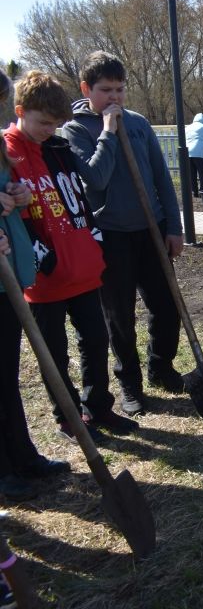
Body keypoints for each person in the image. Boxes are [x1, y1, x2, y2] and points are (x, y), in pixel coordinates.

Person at [6, 71, 139, 440]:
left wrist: (92, 243)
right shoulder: (8, 155)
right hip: (43, 278)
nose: (50, 130)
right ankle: (67, 416)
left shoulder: (59, 149)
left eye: (55, 124)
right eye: (43, 123)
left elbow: (80, 197)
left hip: (80, 268)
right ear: (21, 111)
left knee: (96, 340)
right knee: (55, 353)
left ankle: (98, 406)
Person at [63, 51, 185, 415]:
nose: (114, 97)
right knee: (119, 316)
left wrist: (174, 227)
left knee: (167, 306)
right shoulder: (75, 130)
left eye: (120, 89)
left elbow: (162, 178)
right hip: (110, 234)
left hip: (151, 228)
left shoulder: (140, 123)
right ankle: (130, 383)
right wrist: (108, 133)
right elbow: (96, 178)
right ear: (87, 89)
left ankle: (160, 366)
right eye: (105, 90)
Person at [0, 69, 71, 502]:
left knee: (7, 374)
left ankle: (22, 456)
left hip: (6, 273)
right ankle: (4, 471)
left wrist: (16, 195)